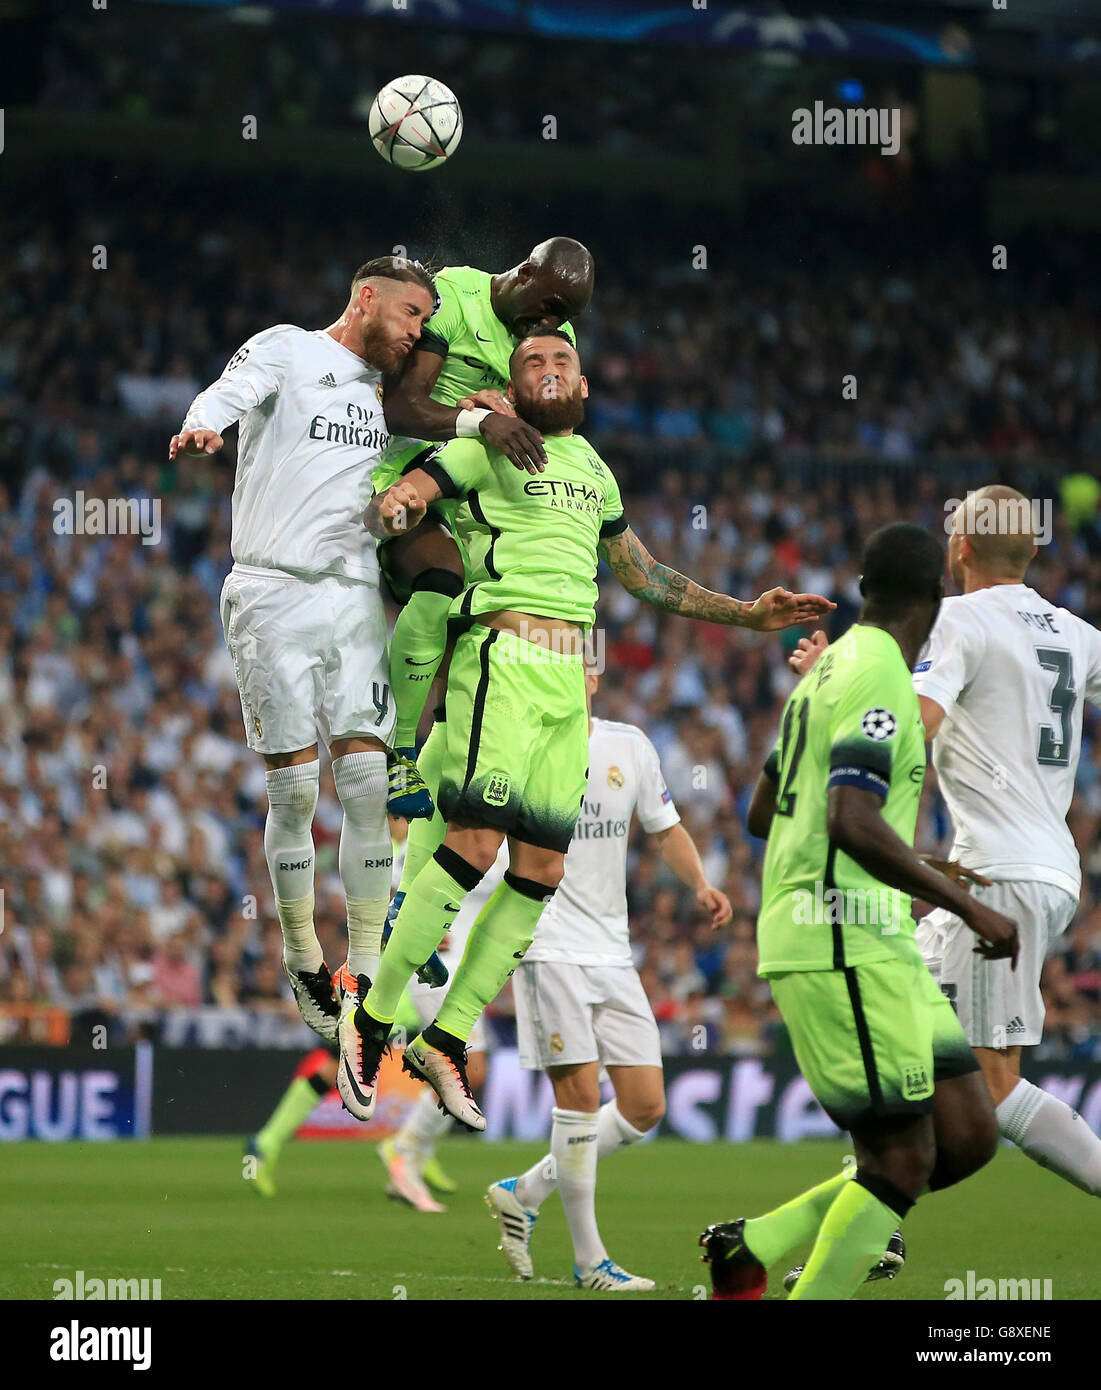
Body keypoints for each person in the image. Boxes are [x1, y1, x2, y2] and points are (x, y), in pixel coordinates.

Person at [344, 327, 833, 1132]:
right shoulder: (490, 442)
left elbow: (643, 575)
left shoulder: (595, 471)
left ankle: (448, 1033)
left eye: (559, 361)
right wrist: (399, 505)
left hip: (568, 685)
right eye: (530, 361)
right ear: (515, 381)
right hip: (501, 658)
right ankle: (371, 1020)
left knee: (539, 869)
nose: (544, 370)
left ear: (582, 387)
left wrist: (745, 615)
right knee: (473, 846)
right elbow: (417, 491)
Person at [700, 523, 1019, 1301]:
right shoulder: (877, 671)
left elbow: (764, 806)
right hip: (835, 936)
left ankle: (755, 1244)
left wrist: (911, 862)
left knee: (967, 1133)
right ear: (936, 598)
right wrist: (969, 910)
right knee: (899, 1161)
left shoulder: (827, 667)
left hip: (874, 936)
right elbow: (848, 819)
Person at [791, 484, 1101, 1200]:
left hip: (996, 876)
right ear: (1030, 549)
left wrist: (824, 688)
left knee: (992, 1089)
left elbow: (912, 722)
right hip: (1032, 868)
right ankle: (875, 1221)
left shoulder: (956, 620)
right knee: (896, 1035)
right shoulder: (1077, 634)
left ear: (958, 548)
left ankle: (870, 1218)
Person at [169, 256, 437, 1044]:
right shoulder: (287, 348)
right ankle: (299, 955)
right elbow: (228, 392)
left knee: (362, 781)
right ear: (366, 299)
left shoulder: (391, 398)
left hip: (352, 592)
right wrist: (205, 423)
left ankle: (361, 971)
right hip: (271, 590)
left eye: (424, 318)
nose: (417, 331)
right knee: (293, 794)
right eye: (411, 313)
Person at [487, 666, 732, 1291]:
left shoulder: (630, 746)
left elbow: (665, 827)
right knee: (579, 1102)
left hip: (612, 953)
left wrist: (700, 884)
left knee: (647, 1105)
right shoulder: (520, 743)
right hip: (547, 946)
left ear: (594, 675)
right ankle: (589, 1261)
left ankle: (526, 1190)